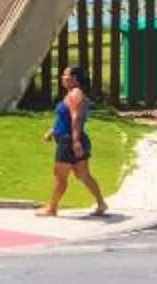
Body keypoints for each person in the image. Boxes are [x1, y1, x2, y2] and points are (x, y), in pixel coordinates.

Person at [41, 64, 109, 218]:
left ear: (74, 79)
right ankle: (101, 203)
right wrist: (52, 131)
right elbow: (63, 118)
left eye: (65, 75)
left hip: (68, 141)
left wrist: (75, 141)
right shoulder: (73, 94)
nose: (62, 78)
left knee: (60, 177)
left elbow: (76, 118)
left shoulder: (75, 95)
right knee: (83, 176)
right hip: (70, 139)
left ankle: (51, 208)